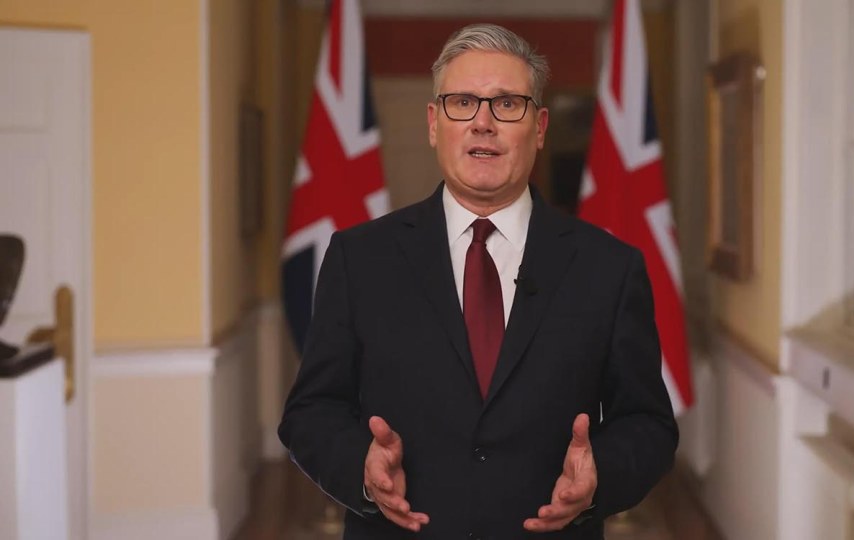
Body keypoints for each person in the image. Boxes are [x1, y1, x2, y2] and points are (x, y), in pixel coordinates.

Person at [278, 23, 678, 539]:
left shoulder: (610, 267)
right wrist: (361, 467)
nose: (482, 123)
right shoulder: (360, 258)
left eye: (507, 103)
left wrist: (602, 476)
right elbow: (311, 411)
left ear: (538, 127)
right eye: (462, 102)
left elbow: (648, 424)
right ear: (433, 123)